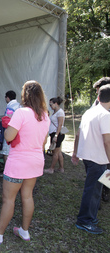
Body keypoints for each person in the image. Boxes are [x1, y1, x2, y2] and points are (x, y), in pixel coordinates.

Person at [0, 80, 50, 245]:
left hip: (18, 163)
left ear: (25, 95)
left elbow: (9, 136)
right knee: (28, 196)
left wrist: (8, 125)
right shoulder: (45, 115)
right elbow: (44, 141)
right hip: (36, 161)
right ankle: (24, 231)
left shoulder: (21, 113)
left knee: (8, 199)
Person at [71, 84, 110, 235]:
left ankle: (90, 217)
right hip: (99, 159)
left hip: (88, 157)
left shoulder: (89, 111)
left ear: (98, 97)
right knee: (92, 191)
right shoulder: (106, 115)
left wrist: (75, 153)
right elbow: (107, 142)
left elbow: (78, 135)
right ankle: (84, 220)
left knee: (95, 190)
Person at [91, 77, 110, 202]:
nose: (97, 92)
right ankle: (103, 191)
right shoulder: (98, 103)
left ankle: (106, 191)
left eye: (98, 89)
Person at [44, 97, 66, 174]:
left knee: (55, 152)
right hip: (55, 133)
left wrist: (55, 136)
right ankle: (61, 168)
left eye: (51, 104)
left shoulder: (60, 112)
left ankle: (51, 168)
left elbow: (60, 125)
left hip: (57, 134)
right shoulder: (56, 112)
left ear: (56, 103)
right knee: (58, 151)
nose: (50, 106)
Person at [0, 90, 20, 171]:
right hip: (18, 132)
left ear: (7, 98)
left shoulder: (10, 106)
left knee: (6, 152)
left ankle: (7, 171)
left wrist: (0, 121)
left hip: (10, 131)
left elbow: (7, 121)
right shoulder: (19, 106)